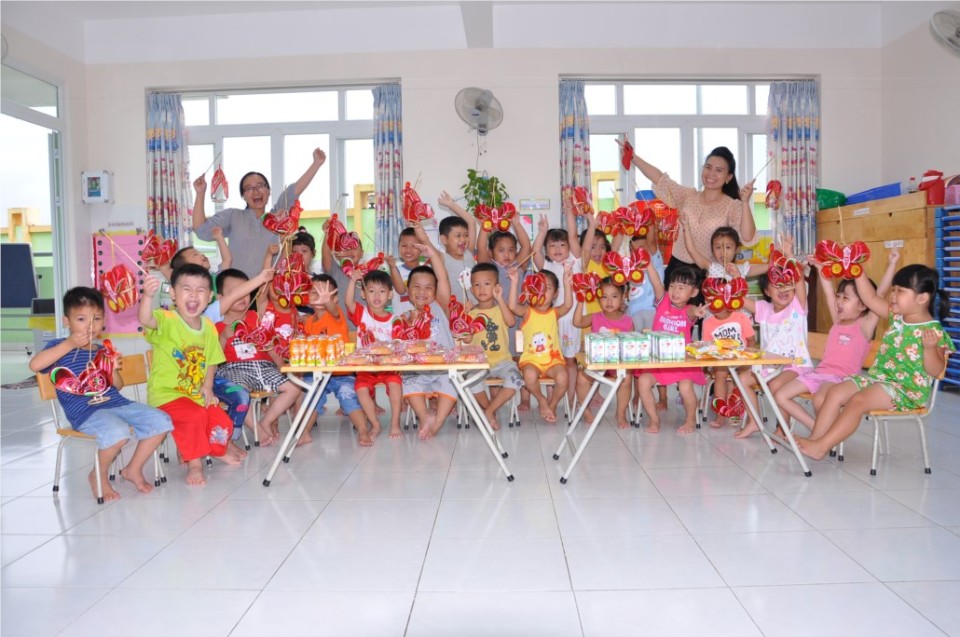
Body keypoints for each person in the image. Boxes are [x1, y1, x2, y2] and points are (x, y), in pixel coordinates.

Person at [796, 264, 955, 460]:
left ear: (922, 298)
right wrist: (857, 271)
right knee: (834, 392)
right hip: (879, 380)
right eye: (893, 289)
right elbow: (870, 298)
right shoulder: (897, 317)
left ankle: (821, 447)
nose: (893, 295)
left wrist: (930, 349)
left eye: (901, 291)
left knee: (857, 401)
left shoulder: (933, 331)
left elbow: (935, 370)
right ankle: (815, 440)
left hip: (905, 390)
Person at [29, 287, 173, 501]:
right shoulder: (58, 347)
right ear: (67, 321)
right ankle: (98, 475)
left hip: (117, 403)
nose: (90, 325)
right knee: (118, 432)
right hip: (85, 411)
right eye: (81, 319)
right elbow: (35, 365)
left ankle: (132, 469)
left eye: (96, 318)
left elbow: (118, 385)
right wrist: (70, 343)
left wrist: (110, 369)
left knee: (161, 421)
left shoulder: (102, 350)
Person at [772, 250, 899, 433]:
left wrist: (892, 264)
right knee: (780, 395)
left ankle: (821, 436)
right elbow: (828, 294)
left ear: (863, 304)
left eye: (845, 298)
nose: (838, 301)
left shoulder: (865, 325)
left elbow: (880, 293)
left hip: (841, 380)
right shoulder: (838, 321)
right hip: (819, 374)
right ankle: (817, 429)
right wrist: (820, 268)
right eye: (839, 296)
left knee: (820, 400)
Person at [139, 264, 243, 486]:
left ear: (210, 297)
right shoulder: (166, 319)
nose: (194, 295)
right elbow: (146, 319)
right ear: (173, 293)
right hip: (166, 395)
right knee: (194, 416)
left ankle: (216, 450)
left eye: (200, 290)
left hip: (194, 395)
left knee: (221, 420)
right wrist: (147, 296)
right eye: (186, 289)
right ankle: (195, 463)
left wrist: (208, 387)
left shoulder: (208, 326)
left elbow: (212, 360)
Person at [624, 143, 757, 283]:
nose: (711, 173)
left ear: (728, 177)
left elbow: (747, 237)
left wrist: (745, 202)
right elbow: (660, 179)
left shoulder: (732, 206)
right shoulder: (688, 196)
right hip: (677, 270)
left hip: (709, 274)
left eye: (719, 170)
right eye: (708, 167)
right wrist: (633, 157)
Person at [192, 148, 326, 278]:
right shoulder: (233, 216)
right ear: (243, 196)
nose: (256, 191)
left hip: (267, 288)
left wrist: (316, 163)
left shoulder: (275, 218)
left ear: (269, 191)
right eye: (249, 188)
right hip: (237, 287)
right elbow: (201, 229)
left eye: (260, 186)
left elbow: (293, 192)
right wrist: (200, 193)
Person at [735, 237, 812, 439]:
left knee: (776, 385)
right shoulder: (763, 309)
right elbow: (739, 297)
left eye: (787, 284)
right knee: (742, 379)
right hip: (770, 366)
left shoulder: (797, 307)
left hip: (796, 365)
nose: (783, 289)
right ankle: (754, 422)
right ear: (767, 291)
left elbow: (799, 279)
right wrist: (734, 278)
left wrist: (789, 255)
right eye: (777, 285)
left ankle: (783, 428)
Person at [215, 268, 302, 447]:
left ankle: (266, 422)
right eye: (235, 292)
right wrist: (223, 337)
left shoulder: (256, 317)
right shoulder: (215, 325)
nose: (242, 297)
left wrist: (281, 366)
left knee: (294, 388)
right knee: (240, 393)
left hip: (264, 367)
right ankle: (256, 428)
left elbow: (270, 345)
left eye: (246, 291)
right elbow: (214, 358)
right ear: (220, 298)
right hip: (233, 368)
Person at [634, 264, 708, 435]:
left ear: (693, 293)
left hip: (681, 364)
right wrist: (648, 265)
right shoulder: (663, 301)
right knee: (643, 381)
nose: (675, 291)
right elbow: (656, 283)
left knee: (685, 386)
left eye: (682, 287)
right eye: (673, 286)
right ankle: (654, 419)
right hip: (658, 363)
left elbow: (692, 311)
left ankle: (690, 419)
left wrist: (697, 311)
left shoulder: (688, 310)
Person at [301, 274, 373, 446]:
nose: (320, 296)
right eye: (314, 292)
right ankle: (305, 433)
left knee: (348, 397)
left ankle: (363, 430)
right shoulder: (308, 322)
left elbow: (332, 309)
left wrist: (327, 302)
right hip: (318, 373)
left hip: (342, 373)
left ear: (334, 298)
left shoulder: (336, 314)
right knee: (311, 398)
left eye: (325, 293)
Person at [402, 224, 458, 440]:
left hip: (444, 366)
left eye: (428, 288)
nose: (422, 292)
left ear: (435, 292)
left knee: (452, 385)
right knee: (408, 381)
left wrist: (432, 255)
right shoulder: (405, 316)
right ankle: (425, 416)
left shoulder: (439, 305)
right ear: (408, 291)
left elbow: (443, 278)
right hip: (419, 368)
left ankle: (437, 423)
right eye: (416, 287)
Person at [508, 262, 575, 423]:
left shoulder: (554, 312)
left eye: (548, 287)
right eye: (538, 286)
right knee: (529, 375)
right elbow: (512, 306)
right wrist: (515, 281)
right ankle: (541, 400)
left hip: (553, 361)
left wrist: (567, 282)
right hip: (531, 361)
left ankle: (552, 404)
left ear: (555, 294)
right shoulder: (527, 311)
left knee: (563, 377)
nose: (542, 291)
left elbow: (568, 305)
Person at [532, 208, 583, 407]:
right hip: (551, 321)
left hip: (572, 320)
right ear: (547, 250)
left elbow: (573, 235)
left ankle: (570, 399)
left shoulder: (575, 262)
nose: (558, 249)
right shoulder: (546, 267)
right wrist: (542, 232)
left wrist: (569, 210)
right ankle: (551, 398)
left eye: (562, 245)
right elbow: (535, 252)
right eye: (552, 245)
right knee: (551, 360)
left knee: (570, 360)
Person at [345, 268, 403, 439]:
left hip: (388, 367)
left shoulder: (395, 320)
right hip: (365, 368)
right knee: (361, 389)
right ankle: (375, 424)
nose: (377, 296)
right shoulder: (362, 313)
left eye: (382, 291)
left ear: (390, 294)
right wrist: (352, 281)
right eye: (371, 291)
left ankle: (395, 423)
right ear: (363, 294)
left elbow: (398, 345)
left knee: (395, 385)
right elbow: (348, 302)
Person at [463, 262, 522, 430]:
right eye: (476, 285)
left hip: (503, 362)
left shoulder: (500, 309)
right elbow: (466, 340)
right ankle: (491, 412)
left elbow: (511, 322)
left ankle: (488, 412)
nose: (481, 289)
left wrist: (500, 299)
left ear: (496, 287)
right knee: (471, 381)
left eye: (487, 284)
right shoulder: (471, 313)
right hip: (480, 363)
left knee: (516, 379)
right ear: (471, 289)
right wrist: (465, 317)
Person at [572, 277, 635, 429]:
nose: (609, 301)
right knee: (581, 378)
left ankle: (620, 413)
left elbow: (631, 347)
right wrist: (581, 300)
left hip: (617, 365)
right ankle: (586, 412)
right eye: (604, 297)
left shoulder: (628, 321)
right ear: (598, 298)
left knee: (626, 378)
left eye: (614, 296)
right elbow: (577, 322)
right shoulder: (595, 317)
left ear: (623, 297)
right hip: (597, 364)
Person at [700, 279, 757, 427]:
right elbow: (707, 346)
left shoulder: (741, 317)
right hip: (721, 359)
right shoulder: (708, 322)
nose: (714, 304)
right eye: (709, 300)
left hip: (741, 358)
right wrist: (706, 367)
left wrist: (748, 358)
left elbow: (751, 340)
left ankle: (735, 407)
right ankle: (721, 414)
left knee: (741, 376)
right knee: (720, 374)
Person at [682, 223, 768, 281]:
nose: (723, 252)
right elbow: (691, 250)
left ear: (737, 249)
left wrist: (775, 261)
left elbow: (769, 266)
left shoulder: (741, 269)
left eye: (728, 247)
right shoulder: (710, 267)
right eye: (718, 247)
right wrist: (686, 227)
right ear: (712, 250)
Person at [436, 191, 477, 302]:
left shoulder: (468, 252)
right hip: (456, 310)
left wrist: (451, 205)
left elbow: (471, 222)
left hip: (476, 308)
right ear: (444, 239)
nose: (463, 239)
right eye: (458, 236)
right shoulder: (441, 259)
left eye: (466, 235)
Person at [386, 227, 424, 316]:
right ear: (398, 247)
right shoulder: (395, 270)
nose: (408, 250)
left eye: (414, 246)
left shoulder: (427, 272)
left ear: (422, 248)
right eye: (404, 245)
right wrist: (392, 267)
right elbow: (401, 291)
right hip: (402, 320)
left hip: (423, 319)